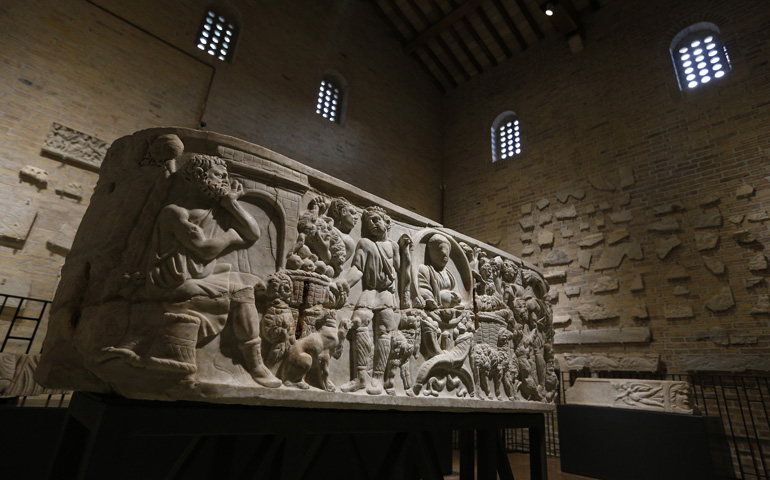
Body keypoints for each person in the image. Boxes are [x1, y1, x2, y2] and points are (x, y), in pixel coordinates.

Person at [146, 154, 280, 387]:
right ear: (198, 176)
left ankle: (256, 363)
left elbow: (253, 232)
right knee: (241, 290)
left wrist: (231, 203)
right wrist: (230, 236)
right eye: (219, 175)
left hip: (200, 274)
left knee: (245, 285)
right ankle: (255, 364)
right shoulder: (176, 212)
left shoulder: (217, 209)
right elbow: (204, 250)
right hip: (171, 280)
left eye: (226, 176)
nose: (225, 181)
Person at [337, 206, 401, 394]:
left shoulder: (393, 246)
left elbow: (400, 271)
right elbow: (358, 268)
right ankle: (361, 377)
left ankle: (378, 378)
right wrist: (344, 283)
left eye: (376, 219)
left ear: (386, 223)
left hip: (386, 293)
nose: (372, 224)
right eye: (368, 222)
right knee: (359, 324)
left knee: (384, 332)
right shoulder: (364, 243)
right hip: (370, 291)